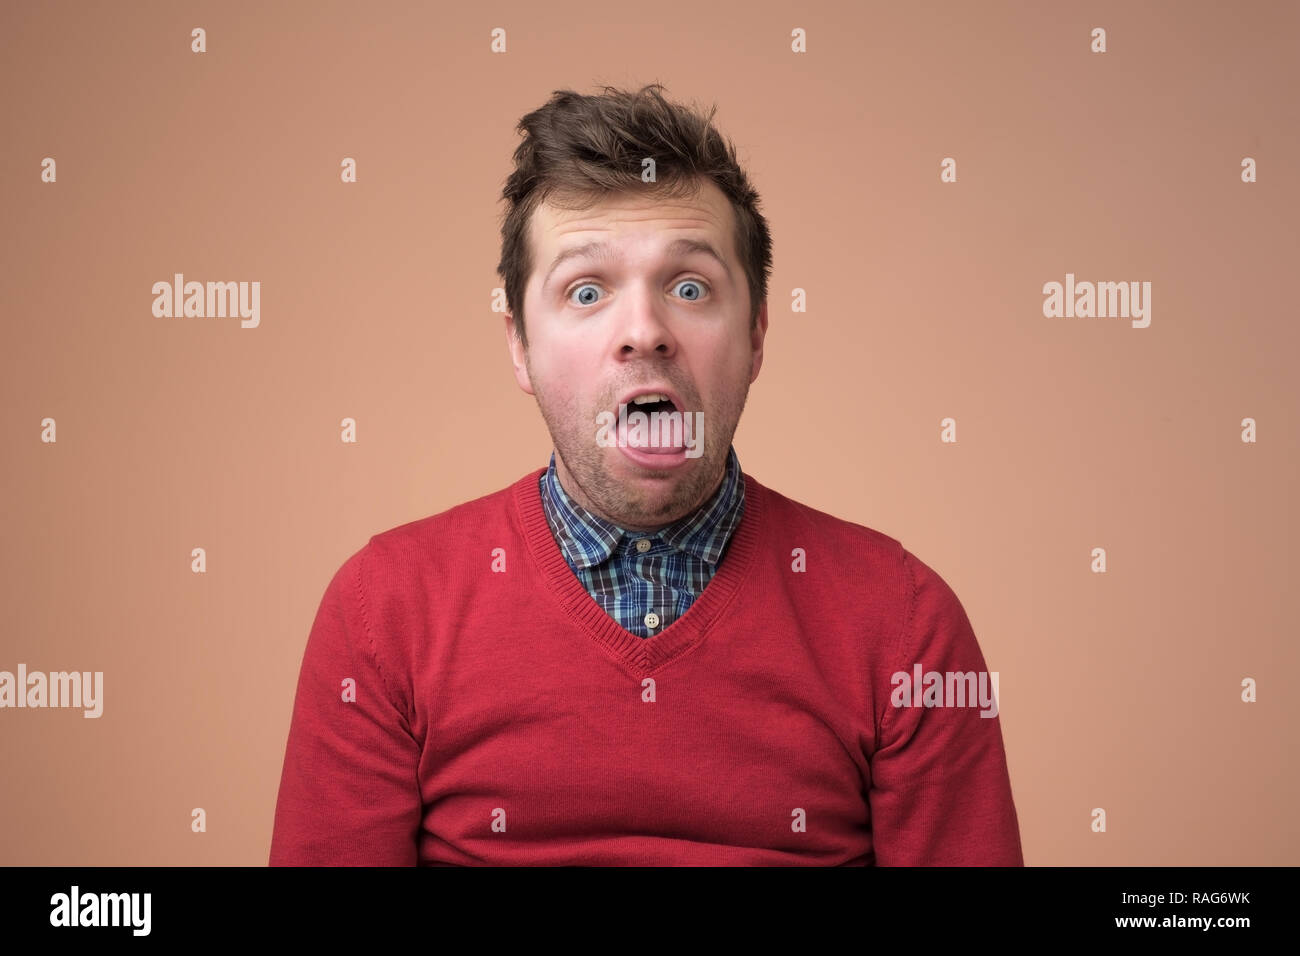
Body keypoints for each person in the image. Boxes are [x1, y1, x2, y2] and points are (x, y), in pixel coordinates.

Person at [269, 83, 1023, 866]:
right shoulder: (382, 613)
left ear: (757, 333)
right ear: (520, 345)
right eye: (586, 291)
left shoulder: (904, 625)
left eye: (689, 287)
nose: (644, 333)